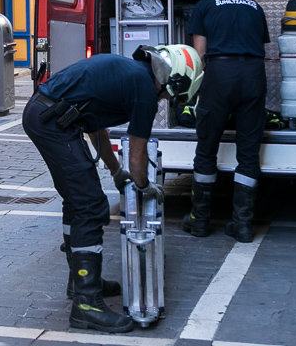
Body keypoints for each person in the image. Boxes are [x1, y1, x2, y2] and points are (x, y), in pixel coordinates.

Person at [22, 44, 202, 333]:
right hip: (51, 122)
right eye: (173, 94)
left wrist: (117, 173)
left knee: (78, 199)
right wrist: (144, 186)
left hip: (48, 116)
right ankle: (87, 305)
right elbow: (137, 154)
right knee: (91, 206)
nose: (168, 99)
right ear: (176, 79)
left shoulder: (131, 75)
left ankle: (79, 280)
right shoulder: (144, 90)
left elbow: (98, 130)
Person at [183, 0, 269, 244]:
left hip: (221, 73)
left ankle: (200, 221)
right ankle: (242, 225)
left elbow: (199, 55)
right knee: (248, 150)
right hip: (254, 74)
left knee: (207, 147)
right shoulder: (255, 5)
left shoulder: (205, 5)